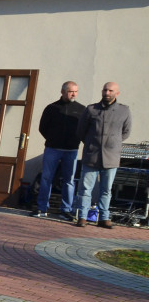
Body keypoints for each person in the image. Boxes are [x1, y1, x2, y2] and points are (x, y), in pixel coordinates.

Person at [75, 82, 132, 228]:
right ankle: (82, 216)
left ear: (116, 93)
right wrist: (91, 143)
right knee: (85, 189)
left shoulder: (124, 111)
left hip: (111, 157)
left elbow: (125, 132)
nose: (107, 93)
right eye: (105, 90)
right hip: (92, 155)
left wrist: (113, 143)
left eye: (110, 90)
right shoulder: (91, 109)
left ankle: (104, 218)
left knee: (106, 190)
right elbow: (81, 130)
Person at [32, 81, 83, 219]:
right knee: (46, 178)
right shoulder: (51, 108)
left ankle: (66, 210)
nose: (74, 94)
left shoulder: (81, 110)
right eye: (71, 91)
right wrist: (53, 139)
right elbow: (43, 127)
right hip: (52, 148)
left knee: (69, 180)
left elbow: (83, 130)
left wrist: (76, 141)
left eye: (76, 91)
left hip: (71, 150)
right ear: (62, 92)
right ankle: (42, 208)